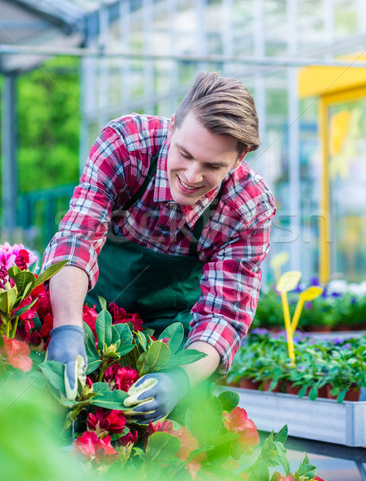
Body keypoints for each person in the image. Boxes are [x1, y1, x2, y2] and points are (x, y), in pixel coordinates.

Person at [43, 71, 276, 421]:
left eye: (213, 166)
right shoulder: (126, 145)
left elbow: (224, 316)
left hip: (172, 333)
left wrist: (180, 380)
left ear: (239, 160)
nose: (192, 175)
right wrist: (66, 325)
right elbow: (78, 238)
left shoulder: (249, 205)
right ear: (173, 127)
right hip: (88, 305)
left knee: (169, 450)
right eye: (185, 153)